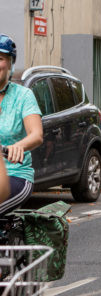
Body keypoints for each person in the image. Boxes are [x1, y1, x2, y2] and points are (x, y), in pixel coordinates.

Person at [0, 34, 43, 216]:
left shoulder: (23, 96)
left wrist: (19, 146)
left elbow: (36, 134)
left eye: (0, 58)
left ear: (10, 63)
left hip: (16, 175)